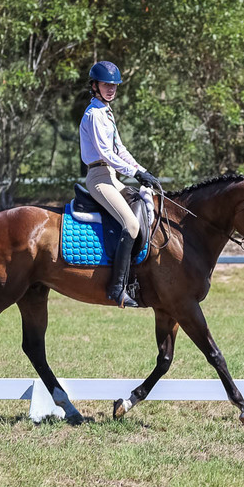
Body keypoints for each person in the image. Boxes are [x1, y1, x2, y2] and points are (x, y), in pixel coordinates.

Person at [79, 61, 159, 308]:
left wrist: (143, 171)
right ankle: (117, 288)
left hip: (112, 176)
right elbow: (106, 152)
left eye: (113, 85)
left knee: (144, 205)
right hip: (99, 178)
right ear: (95, 86)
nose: (111, 89)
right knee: (131, 224)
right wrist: (135, 173)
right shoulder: (93, 115)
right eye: (106, 84)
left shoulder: (106, 113)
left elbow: (120, 149)